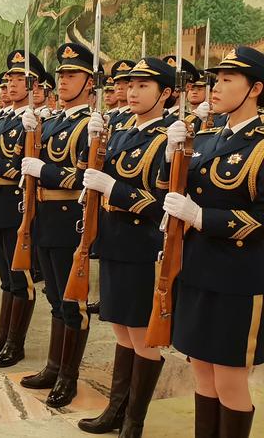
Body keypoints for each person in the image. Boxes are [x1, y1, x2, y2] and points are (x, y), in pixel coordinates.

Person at [159, 46, 264, 438]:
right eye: (215, 79)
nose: (214, 88)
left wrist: (203, 218)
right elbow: (175, 192)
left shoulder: (261, 143)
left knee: (231, 379)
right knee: (201, 372)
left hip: (238, 277)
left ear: (255, 88)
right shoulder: (204, 138)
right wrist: (171, 157)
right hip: (196, 268)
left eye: (226, 80)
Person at [78, 57, 174, 437]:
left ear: (166, 93)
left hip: (143, 246)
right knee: (120, 328)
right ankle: (116, 408)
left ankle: (134, 421)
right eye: (129, 85)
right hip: (115, 239)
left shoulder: (169, 139)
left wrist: (112, 188)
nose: (131, 91)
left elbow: (162, 206)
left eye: (143, 86)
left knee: (141, 335)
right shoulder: (121, 130)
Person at [19, 43, 94, 408]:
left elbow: (82, 178)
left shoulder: (88, 125)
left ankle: (69, 376)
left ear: (89, 82)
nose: (63, 81)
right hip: (45, 217)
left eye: (72, 75)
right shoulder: (52, 122)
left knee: (72, 302)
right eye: (61, 75)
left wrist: (43, 170)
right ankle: (53, 365)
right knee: (53, 298)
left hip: (69, 221)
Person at [0, 50, 43, 367]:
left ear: (33, 84)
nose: (11, 84)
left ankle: (16, 342)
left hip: (17, 203)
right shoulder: (2, 119)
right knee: (5, 276)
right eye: (8, 79)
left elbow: (25, 169)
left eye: (18, 79)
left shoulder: (35, 121)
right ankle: (3, 334)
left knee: (21, 276)